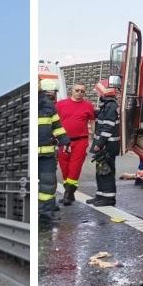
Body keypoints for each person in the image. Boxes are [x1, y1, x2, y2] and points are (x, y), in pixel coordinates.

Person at [38, 78, 70, 224]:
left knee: (48, 184)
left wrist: (65, 141)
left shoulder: (49, 106)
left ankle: (46, 213)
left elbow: (57, 126)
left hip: (47, 155)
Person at [56, 83, 95, 204]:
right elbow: (55, 121)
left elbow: (92, 121)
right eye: (77, 90)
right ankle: (70, 191)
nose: (79, 93)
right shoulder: (60, 104)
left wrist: (93, 136)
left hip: (80, 141)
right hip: (63, 141)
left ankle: (68, 194)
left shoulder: (88, 105)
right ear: (71, 91)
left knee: (75, 167)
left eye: (82, 91)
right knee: (64, 167)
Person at [88, 78, 119, 207]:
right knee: (101, 170)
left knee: (106, 172)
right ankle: (100, 195)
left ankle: (108, 198)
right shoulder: (107, 105)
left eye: (98, 92)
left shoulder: (111, 106)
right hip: (105, 145)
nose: (98, 94)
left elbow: (108, 127)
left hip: (107, 145)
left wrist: (99, 144)